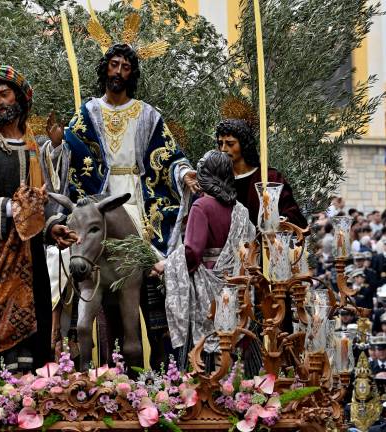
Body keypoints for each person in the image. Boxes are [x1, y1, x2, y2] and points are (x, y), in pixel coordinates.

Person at [45, 43, 198, 364]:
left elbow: (168, 156)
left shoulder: (147, 115)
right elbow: (69, 159)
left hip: (138, 200)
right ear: (105, 69)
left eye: (125, 67)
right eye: (114, 65)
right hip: (102, 199)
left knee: (152, 274)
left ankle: (162, 355)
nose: (118, 72)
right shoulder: (88, 112)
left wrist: (184, 174)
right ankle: (83, 353)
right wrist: (58, 144)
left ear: (132, 74)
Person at [0, 65, 77, 372]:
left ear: (20, 98)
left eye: (4, 94)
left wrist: (52, 226)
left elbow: (40, 200)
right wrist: (13, 208)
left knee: (33, 354)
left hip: (31, 264)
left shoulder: (33, 146)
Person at [161, 150, 255, 370]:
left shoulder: (201, 206)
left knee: (205, 346)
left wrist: (166, 264)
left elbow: (192, 252)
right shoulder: (240, 210)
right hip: (235, 284)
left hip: (206, 285)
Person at [214, 118, 307, 228]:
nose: (224, 149)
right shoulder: (218, 179)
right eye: (221, 143)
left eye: (230, 143)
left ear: (243, 144)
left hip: (263, 242)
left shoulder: (269, 177)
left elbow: (291, 214)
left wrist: (277, 221)